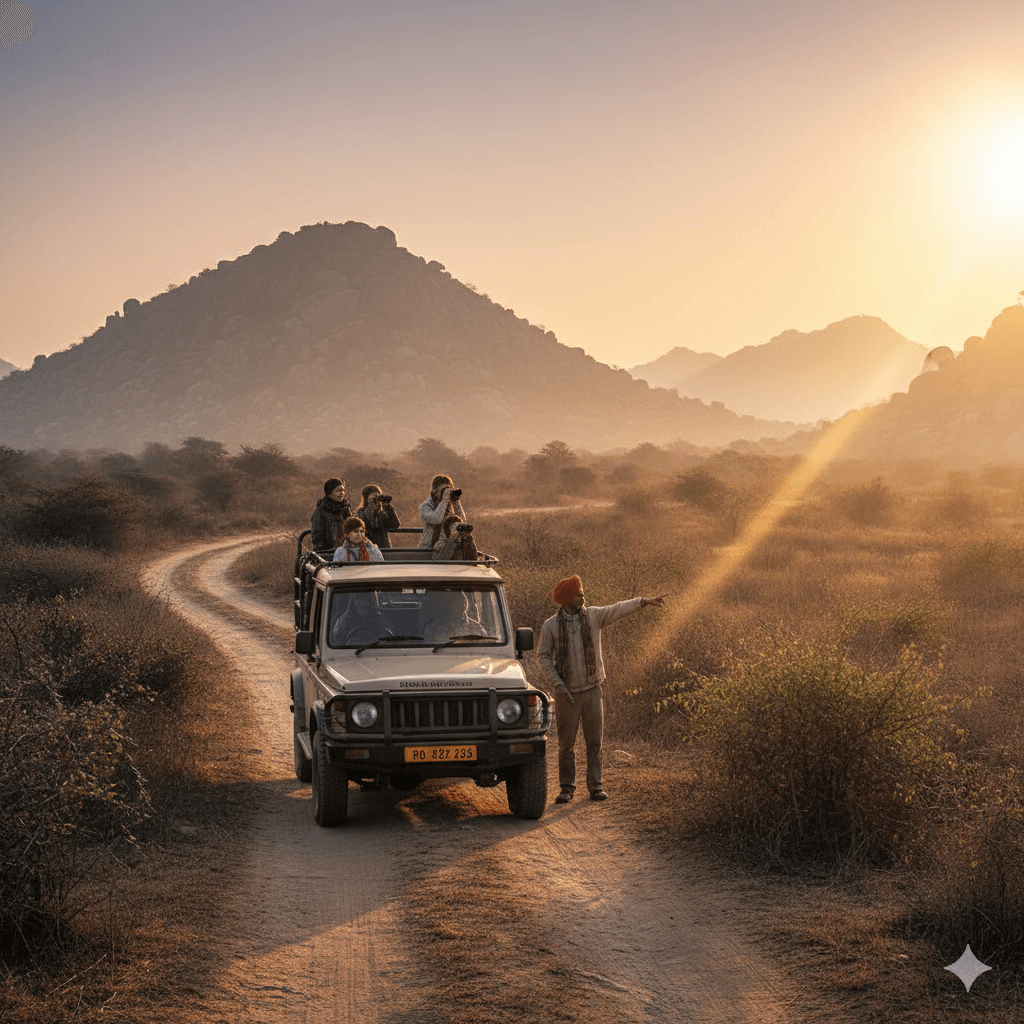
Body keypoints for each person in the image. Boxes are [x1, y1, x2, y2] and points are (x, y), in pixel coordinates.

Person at [537, 575, 666, 804]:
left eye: (582, 592)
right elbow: (544, 656)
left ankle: (595, 787)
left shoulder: (594, 616)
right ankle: (567, 788)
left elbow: (617, 609)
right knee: (566, 746)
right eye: (578, 594)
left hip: (592, 689)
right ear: (567, 599)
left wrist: (643, 601)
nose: (583, 596)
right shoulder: (551, 626)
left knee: (594, 742)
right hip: (566, 694)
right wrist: (556, 682)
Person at [418, 475, 466, 548]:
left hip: (446, 549)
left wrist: (456, 502)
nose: (446, 493)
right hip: (428, 549)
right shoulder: (425, 506)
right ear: (435, 492)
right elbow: (437, 519)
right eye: (443, 490)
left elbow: (462, 522)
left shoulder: (450, 504)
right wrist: (444, 501)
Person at [311, 478, 353, 552]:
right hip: (328, 553)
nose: (342, 493)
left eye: (343, 490)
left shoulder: (346, 508)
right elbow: (317, 538)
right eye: (338, 490)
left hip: (347, 551)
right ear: (329, 493)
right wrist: (323, 555)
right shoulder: (321, 510)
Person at [356, 484, 401, 548]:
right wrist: (371, 506)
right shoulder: (361, 512)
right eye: (373, 496)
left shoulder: (381, 514)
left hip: (383, 548)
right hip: (367, 548)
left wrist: (388, 506)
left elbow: (395, 524)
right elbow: (371, 525)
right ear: (367, 498)